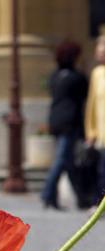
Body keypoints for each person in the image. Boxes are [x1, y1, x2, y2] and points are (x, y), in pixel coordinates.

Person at [41, 40, 88, 209]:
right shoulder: (77, 77)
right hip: (70, 122)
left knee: (68, 163)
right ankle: (46, 194)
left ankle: (82, 198)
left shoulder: (54, 76)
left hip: (55, 121)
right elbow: (84, 100)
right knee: (61, 160)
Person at [87, 36, 105, 204]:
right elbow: (91, 105)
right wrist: (91, 131)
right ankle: (98, 204)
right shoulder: (97, 74)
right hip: (102, 135)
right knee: (101, 171)